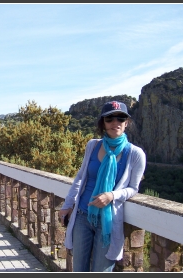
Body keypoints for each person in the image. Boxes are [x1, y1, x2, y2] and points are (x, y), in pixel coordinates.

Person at [59, 100, 146, 272]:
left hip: (107, 220)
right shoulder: (93, 145)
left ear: (127, 123)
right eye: (109, 119)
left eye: (120, 119)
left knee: (101, 270)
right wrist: (67, 204)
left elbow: (133, 188)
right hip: (83, 216)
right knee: (79, 269)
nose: (115, 123)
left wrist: (112, 195)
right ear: (103, 123)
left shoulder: (135, 154)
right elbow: (80, 178)